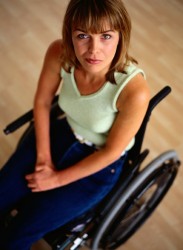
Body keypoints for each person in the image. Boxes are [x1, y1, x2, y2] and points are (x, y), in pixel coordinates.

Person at [0, 0, 150, 249]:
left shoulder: (134, 90)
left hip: (100, 163)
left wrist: (54, 179)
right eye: (83, 35)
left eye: (105, 36)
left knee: (20, 233)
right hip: (63, 133)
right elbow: (42, 101)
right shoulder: (59, 53)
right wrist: (43, 159)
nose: (93, 50)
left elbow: (111, 153)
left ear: (121, 36)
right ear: (69, 34)